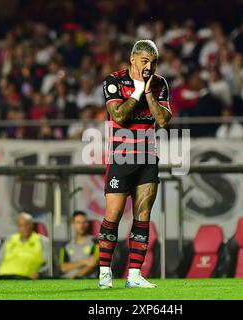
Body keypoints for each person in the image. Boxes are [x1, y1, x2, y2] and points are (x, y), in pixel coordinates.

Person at [99, 40, 171, 289]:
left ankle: (134, 275)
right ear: (132, 60)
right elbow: (118, 115)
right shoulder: (114, 81)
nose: (149, 67)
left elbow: (163, 120)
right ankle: (105, 271)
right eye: (144, 62)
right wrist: (139, 90)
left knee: (143, 216)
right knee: (114, 215)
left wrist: (148, 92)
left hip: (147, 158)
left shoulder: (160, 84)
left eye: (153, 63)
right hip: (120, 157)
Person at [0, 213, 49, 280]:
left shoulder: (43, 242)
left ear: (32, 225)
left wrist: (40, 273)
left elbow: (49, 264)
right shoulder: (9, 239)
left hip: (26, 279)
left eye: (26, 224)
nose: (23, 228)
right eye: (20, 225)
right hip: (3, 277)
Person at [59, 211, 99, 279]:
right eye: (78, 222)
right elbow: (63, 267)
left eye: (84, 222)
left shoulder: (96, 243)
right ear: (73, 225)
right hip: (67, 279)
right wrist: (84, 261)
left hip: (88, 279)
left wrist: (77, 277)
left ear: (88, 224)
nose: (81, 225)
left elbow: (94, 263)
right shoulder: (66, 246)